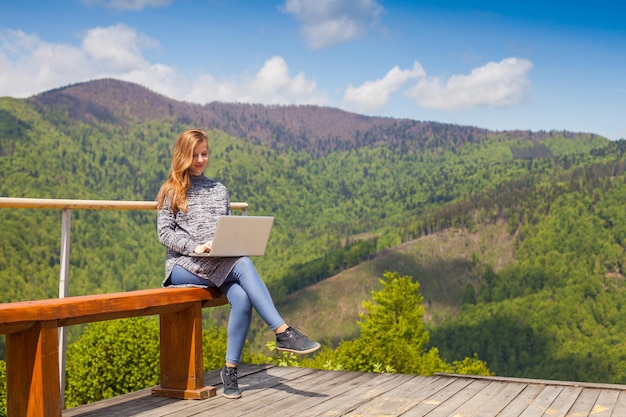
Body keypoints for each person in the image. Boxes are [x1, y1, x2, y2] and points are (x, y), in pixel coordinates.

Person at [156, 128, 320, 399]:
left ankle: (230, 372)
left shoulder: (219, 190)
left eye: (204, 154)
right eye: (194, 155)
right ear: (183, 156)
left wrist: (230, 243)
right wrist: (194, 247)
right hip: (184, 266)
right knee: (242, 264)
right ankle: (282, 331)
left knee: (243, 298)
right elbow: (165, 234)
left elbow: (228, 227)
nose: (200, 160)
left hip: (218, 264)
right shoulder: (171, 190)